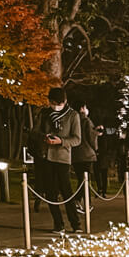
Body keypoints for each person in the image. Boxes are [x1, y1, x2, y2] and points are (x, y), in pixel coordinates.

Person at [30, 87, 81, 232]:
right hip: (46, 156)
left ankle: (75, 223)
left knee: (66, 191)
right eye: (52, 102)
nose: (56, 105)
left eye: (58, 103)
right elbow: (34, 132)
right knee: (51, 192)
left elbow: (77, 139)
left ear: (64, 101)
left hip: (63, 157)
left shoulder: (72, 115)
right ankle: (58, 223)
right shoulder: (45, 113)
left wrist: (61, 141)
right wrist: (44, 137)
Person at [73, 102, 100, 213]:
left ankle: (80, 202)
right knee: (85, 180)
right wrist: (96, 137)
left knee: (81, 179)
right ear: (83, 108)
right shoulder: (86, 121)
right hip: (86, 155)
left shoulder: (73, 120)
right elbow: (90, 137)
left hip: (75, 154)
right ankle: (80, 201)